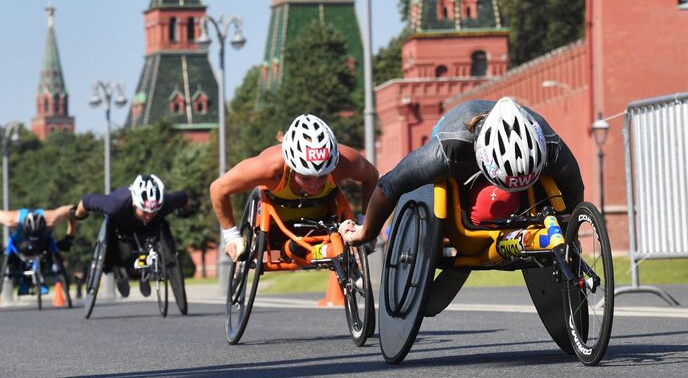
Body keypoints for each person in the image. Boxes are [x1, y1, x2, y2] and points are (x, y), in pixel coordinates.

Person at [340, 97, 584, 245]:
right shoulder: (447, 150)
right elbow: (388, 185)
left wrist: (569, 235)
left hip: (525, 161)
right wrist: (366, 233)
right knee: (483, 205)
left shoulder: (551, 147)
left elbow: (575, 191)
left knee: (519, 194)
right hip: (457, 131)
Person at [210, 113, 379, 262]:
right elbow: (218, 188)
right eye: (305, 178)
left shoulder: (344, 162)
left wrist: (366, 222)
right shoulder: (269, 168)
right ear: (291, 166)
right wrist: (231, 236)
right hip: (276, 227)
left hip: (324, 220)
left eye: (322, 176)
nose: (315, 184)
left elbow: (372, 177)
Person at [73, 174, 193, 297]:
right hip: (121, 228)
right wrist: (78, 215)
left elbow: (184, 198)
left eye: (153, 211)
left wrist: (188, 211)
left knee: (160, 225)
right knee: (118, 242)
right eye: (145, 211)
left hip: (149, 230)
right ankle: (118, 270)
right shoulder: (115, 205)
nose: (148, 215)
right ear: (135, 204)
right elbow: (86, 201)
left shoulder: (165, 203)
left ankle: (143, 270)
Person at [0, 206, 76, 294]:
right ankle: (21, 278)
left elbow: (73, 210)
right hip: (21, 244)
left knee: (51, 247)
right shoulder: (11, 219)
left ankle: (47, 271)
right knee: (12, 250)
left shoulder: (51, 219)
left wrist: (69, 237)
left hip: (43, 243)